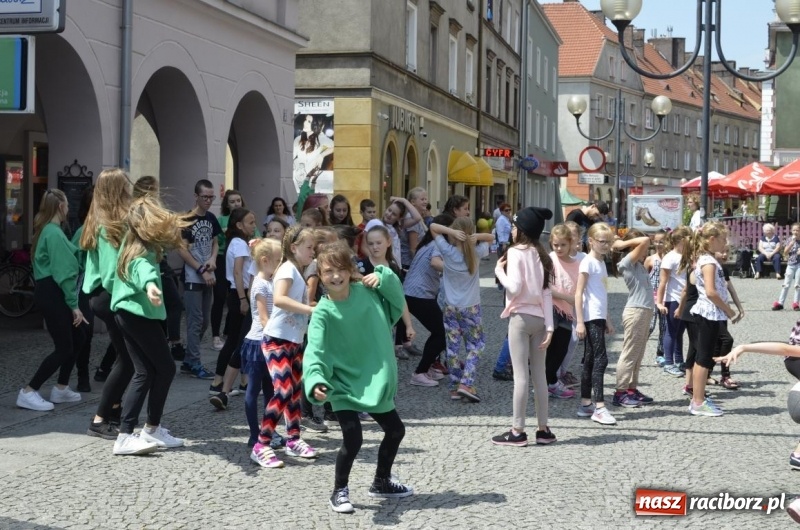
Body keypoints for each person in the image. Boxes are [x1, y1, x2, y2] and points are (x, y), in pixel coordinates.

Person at [304, 242, 413, 513]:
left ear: (351, 270)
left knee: (396, 431)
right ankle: (339, 491)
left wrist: (385, 278)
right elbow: (314, 351)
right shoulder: (322, 313)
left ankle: (382, 481)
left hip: (373, 380)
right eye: (328, 271)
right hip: (341, 383)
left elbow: (397, 305)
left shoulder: (367, 293)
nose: (336, 276)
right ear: (320, 274)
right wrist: (316, 380)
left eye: (341, 269)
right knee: (353, 439)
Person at [112, 195, 188, 455]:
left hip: (132, 314)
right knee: (162, 369)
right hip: (137, 315)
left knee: (147, 371)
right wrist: (152, 287)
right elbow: (142, 270)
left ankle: (146, 429)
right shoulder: (140, 252)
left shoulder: (136, 244)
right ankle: (129, 434)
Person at [250, 225, 317, 469]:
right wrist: (310, 309)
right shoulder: (287, 268)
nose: (313, 251)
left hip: (294, 339)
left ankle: (294, 439)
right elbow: (279, 299)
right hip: (277, 339)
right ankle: (262, 444)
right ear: (294, 247)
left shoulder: (297, 271)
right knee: (284, 390)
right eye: (309, 247)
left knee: (295, 392)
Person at [491, 207, 556, 447]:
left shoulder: (515, 253)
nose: (512, 230)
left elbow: (515, 288)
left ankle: (517, 431)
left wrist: (499, 271)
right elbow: (547, 293)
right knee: (540, 376)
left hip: (520, 318)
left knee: (520, 377)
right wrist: (550, 327)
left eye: (515, 226)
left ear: (523, 230)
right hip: (540, 319)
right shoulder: (543, 255)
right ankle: (543, 429)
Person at [17, 189, 87, 412]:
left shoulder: (49, 231)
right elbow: (64, 272)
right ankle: (29, 391)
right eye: (66, 204)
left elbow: (68, 259)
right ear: (60, 207)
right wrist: (74, 306)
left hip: (51, 290)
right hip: (53, 292)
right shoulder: (54, 233)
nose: (68, 208)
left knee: (78, 337)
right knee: (65, 347)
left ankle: (61, 387)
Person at [80, 169, 136, 441]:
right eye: (127, 182)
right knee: (127, 361)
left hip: (107, 295)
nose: (131, 185)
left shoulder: (107, 221)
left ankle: (113, 411)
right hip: (109, 296)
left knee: (124, 359)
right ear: (117, 189)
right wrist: (127, 300)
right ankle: (99, 419)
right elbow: (111, 272)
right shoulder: (107, 225)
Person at [429, 217, 493, 402]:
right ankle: (467, 382)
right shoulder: (478, 251)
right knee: (476, 345)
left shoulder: (447, 251)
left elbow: (432, 227)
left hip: (450, 308)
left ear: (455, 234)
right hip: (471, 307)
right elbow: (491, 238)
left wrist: (450, 232)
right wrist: (476, 236)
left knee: (453, 347)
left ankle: (455, 387)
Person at [683, 221, 735, 416]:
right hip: (708, 313)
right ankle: (698, 401)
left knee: (702, 358)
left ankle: (699, 398)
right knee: (704, 359)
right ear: (712, 240)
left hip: (708, 313)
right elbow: (711, 292)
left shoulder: (707, 259)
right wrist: (728, 310)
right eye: (722, 239)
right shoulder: (708, 262)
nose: (725, 243)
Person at [208, 207, 257, 405]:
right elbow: (238, 273)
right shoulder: (239, 244)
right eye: (251, 222)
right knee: (237, 342)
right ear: (239, 225)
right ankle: (219, 381)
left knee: (237, 340)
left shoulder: (239, 242)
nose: (254, 225)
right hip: (240, 295)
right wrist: (243, 298)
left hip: (239, 294)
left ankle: (238, 381)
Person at [238, 238, 282, 446]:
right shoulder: (260, 285)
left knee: (271, 391)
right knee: (253, 390)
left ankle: (268, 431)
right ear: (265, 260)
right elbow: (264, 319)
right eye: (277, 259)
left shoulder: (272, 281)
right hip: (258, 344)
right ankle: (254, 434)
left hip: (269, 342)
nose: (280, 263)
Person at [178, 179, 221, 380]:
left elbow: (215, 242)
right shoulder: (187, 219)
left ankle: (188, 360)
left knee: (204, 322)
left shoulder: (211, 218)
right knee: (195, 322)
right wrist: (201, 269)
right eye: (205, 197)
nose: (208, 201)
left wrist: (212, 259)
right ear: (196, 196)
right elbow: (182, 250)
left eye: (211, 197)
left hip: (208, 275)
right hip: (193, 278)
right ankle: (194, 362)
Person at [575, 222, 616, 425]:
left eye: (608, 242)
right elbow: (579, 293)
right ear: (590, 241)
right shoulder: (588, 262)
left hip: (598, 315)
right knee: (601, 359)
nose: (605, 245)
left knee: (591, 359)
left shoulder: (600, 263)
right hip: (590, 316)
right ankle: (599, 407)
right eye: (601, 241)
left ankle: (585, 403)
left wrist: (607, 318)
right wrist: (580, 321)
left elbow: (601, 294)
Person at [405, 214, 452, 387]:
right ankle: (420, 372)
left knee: (439, 331)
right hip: (419, 294)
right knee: (441, 333)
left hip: (412, 293)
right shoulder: (438, 245)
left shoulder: (427, 243)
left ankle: (429, 365)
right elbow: (435, 264)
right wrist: (457, 270)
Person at [611, 231, 655, 409]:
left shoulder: (639, 264)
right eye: (642, 249)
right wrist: (620, 244)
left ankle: (631, 389)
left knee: (637, 354)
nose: (646, 250)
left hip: (643, 311)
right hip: (635, 311)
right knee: (629, 353)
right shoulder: (627, 262)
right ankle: (620, 392)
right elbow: (645, 239)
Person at [543, 224, 579, 399]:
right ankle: (548, 383)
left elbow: (580, 288)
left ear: (570, 243)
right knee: (550, 348)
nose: (559, 248)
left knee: (562, 348)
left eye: (563, 245)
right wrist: (566, 298)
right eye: (556, 245)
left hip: (568, 310)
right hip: (551, 308)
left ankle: (548, 382)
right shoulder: (549, 259)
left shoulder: (578, 263)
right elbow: (545, 287)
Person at [655, 226, 692, 377]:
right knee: (671, 331)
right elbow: (662, 282)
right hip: (673, 299)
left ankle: (679, 360)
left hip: (685, 298)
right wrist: (659, 302)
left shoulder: (688, 255)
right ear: (680, 241)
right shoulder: (669, 258)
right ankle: (668, 362)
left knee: (680, 331)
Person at [211, 189, 245, 351]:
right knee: (219, 296)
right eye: (232, 201)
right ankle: (215, 335)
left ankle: (228, 331)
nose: (236, 204)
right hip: (222, 258)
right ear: (227, 204)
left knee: (236, 293)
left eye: (238, 200)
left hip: (240, 260)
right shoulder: (221, 219)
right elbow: (216, 240)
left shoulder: (246, 219)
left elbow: (256, 236)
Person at [72, 186, 95, 393]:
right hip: (83, 287)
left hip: (99, 286)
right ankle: (82, 375)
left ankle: (105, 368)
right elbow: (73, 263)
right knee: (85, 331)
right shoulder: (82, 232)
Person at [645, 230, 667, 366]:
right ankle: (639, 348)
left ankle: (661, 354)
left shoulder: (669, 258)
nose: (659, 244)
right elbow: (644, 278)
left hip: (665, 298)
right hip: (652, 298)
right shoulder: (650, 259)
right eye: (657, 241)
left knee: (664, 328)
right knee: (650, 326)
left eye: (662, 241)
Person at [775, 223, 800, 310]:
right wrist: (792, 243)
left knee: (798, 285)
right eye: (794, 230)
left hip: (799, 264)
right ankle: (780, 303)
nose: (796, 232)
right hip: (791, 264)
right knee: (786, 284)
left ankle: (796, 303)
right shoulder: (790, 239)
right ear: (791, 231)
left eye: (797, 230)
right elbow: (785, 252)